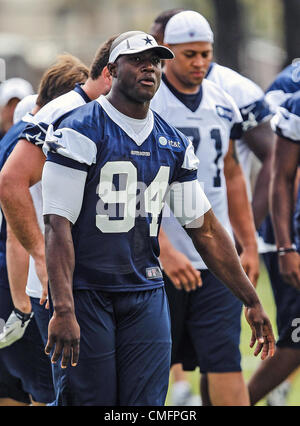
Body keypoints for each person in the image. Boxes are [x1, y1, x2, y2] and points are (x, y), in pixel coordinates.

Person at [40, 30, 274, 406]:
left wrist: (251, 299)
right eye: (138, 60)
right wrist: (65, 308)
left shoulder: (173, 142)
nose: (149, 67)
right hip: (88, 291)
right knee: (88, 402)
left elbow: (207, 230)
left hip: (145, 292)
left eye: (156, 61)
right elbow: (56, 225)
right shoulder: (79, 128)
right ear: (112, 70)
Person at [150, 8, 275, 406]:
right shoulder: (147, 102)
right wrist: (163, 249)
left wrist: (248, 244)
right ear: (167, 51)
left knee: (224, 361)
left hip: (215, 256)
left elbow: (232, 173)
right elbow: (135, 186)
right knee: (149, 365)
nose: (200, 62)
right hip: (159, 258)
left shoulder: (223, 101)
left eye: (206, 53)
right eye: (190, 54)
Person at [0, 36, 115, 336]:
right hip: (47, 277)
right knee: (49, 381)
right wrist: (22, 304)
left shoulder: (19, 133)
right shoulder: (56, 122)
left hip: (67, 272)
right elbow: (12, 204)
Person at [0, 54, 90, 406]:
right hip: (22, 281)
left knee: (15, 389)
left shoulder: (18, 136)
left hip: (17, 277)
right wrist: (22, 306)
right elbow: (15, 232)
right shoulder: (33, 142)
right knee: (46, 389)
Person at [247, 89, 300, 406]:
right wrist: (285, 247)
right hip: (293, 242)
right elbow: (280, 176)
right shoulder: (294, 101)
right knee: (295, 342)